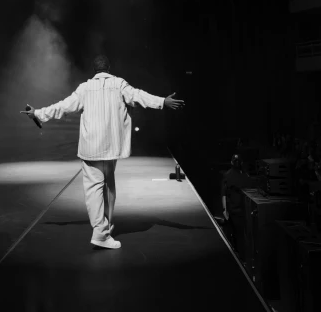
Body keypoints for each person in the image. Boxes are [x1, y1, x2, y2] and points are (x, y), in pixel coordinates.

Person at [21, 54, 185, 250]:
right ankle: (100, 233)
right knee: (108, 188)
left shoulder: (85, 88)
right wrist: (162, 102)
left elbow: (63, 107)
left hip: (90, 149)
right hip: (110, 148)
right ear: (109, 68)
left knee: (94, 191)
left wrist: (38, 113)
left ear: (94, 70)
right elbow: (138, 95)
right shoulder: (119, 84)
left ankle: (102, 229)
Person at [221, 153, 251, 261]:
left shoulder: (227, 175)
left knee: (232, 235)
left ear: (231, 162)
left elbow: (223, 194)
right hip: (242, 211)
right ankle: (241, 258)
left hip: (232, 211)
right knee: (241, 236)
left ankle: (235, 257)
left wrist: (224, 210)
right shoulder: (245, 176)